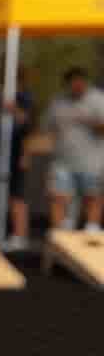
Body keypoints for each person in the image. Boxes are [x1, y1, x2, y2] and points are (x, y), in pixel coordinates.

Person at [44, 66, 104, 232]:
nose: (77, 86)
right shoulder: (58, 102)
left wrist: (90, 121)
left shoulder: (98, 100)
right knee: (58, 197)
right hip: (62, 161)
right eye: (73, 83)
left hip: (92, 162)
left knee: (92, 196)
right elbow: (49, 130)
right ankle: (60, 234)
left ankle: (92, 229)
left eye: (80, 83)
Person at [0, 65, 35, 251]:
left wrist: (25, 154)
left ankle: (19, 235)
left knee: (16, 194)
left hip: (15, 151)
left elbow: (28, 127)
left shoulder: (25, 97)